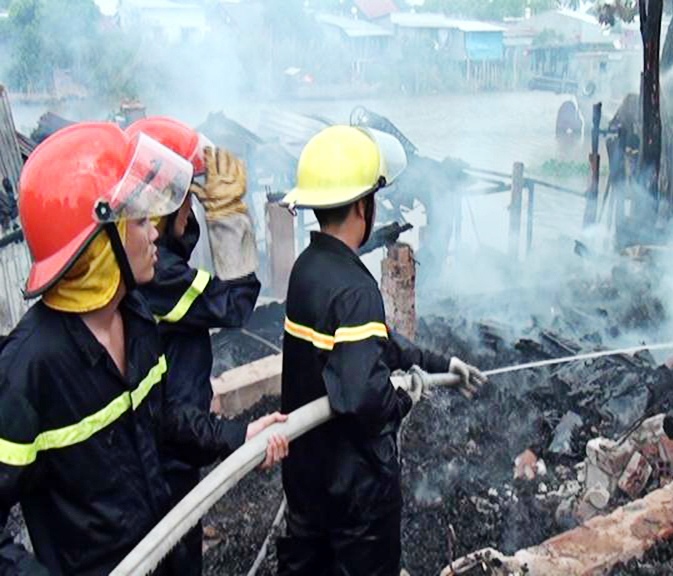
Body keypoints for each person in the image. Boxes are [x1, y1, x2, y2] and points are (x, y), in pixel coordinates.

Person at [0, 123, 289, 575]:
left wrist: (237, 437)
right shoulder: (29, 369)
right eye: (138, 220)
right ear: (100, 242)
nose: (154, 234)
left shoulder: (134, 316)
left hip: (167, 547)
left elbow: (162, 421)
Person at [276, 125, 486, 575]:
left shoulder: (307, 268)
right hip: (354, 498)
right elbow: (364, 399)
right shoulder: (355, 289)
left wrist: (436, 363)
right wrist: (405, 397)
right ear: (362, 206)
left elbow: (377, 342)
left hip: (308, 480)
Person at [125, 116, 262, 575]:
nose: (193, 209)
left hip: (159, 451)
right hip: (165, 464)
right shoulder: (158, 273)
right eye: (188, 197)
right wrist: (230, 219)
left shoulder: (152, 262)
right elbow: (233, 304)